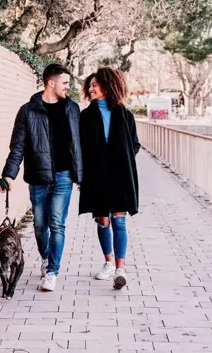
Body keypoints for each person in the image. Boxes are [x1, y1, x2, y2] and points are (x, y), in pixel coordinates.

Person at [0, 64, 82, 292]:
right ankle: (46, 258)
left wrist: (83, 175)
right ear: (51, 83)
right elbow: (17, 146)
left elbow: (79, 144)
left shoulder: (72, 109)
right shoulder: (27, 111)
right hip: (38, 176)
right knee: (39, 225)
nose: (68, 87)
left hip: (64, 176)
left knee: (57, 224)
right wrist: (9, 174)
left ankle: (52, 271)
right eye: (65, 83)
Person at [79, 67, 140, 290]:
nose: (91, 88)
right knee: (102, 219)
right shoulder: (85, 116)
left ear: (107, 86)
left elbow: (134, 144)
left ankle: (120, 268)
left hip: (120, 174)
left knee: (119, 219)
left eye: (95, 85)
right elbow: (81, 146)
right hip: (96, 174)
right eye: (90, 85)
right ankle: (108, 262)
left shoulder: (125, 114)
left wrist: (121, 158)